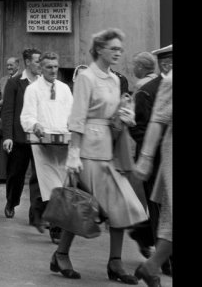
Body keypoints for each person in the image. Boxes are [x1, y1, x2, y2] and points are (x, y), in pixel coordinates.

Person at [50, 28, 147, 283]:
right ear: (99, 49)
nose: (118, 52)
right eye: (113, 48)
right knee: (84, 206)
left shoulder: (115, 80)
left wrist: (123, 115)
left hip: (108, 152)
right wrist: (73, 154)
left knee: (118, 208)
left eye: (120, 49)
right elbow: (78, 117)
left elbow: (111, 115)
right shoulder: (86, 78)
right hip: (88, 154)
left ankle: (112, 262)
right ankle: (63, 255)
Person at [19, 52, 72, 244]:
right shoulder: (33, 90)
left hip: (63, 144)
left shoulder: (65, 89)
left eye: (56, 67)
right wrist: (35, 125)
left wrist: (72, 129)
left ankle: (39, 214)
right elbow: (26, 116)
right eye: (49, 67)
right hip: (43, 144)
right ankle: (56, 230)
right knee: (51, 186)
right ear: (41, 68)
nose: (53, 71)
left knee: (62, 186)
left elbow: (72, 114)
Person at [128, 46, 172, 274]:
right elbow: (143, 126)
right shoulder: (150, 90)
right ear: (166, 64)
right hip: (159, 159)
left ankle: (153, 260)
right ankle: (161, 260)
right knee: (159, 210)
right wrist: (147, 156)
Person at [1, 47, 43, 227]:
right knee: (15, 175)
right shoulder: (15, 83)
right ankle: (11, 201)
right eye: (37, 61)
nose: (40, 65)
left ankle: (36, 215)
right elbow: (8, 111)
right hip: (19, 138)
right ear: (27, 62)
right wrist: (8, 137)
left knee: (39, 177)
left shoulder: (44, 82)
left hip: (39, 137)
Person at [0, 55, 21, 184]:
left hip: (18, 117)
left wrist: (3, 102)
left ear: (18, 66)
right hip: (5, 116)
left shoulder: (22, 79)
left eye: (11, 65)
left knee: (18, 148)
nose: (9, 67)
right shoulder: (3, 80)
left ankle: (14, 177)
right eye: (7, 65)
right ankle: (2, 176)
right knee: (4, 146)